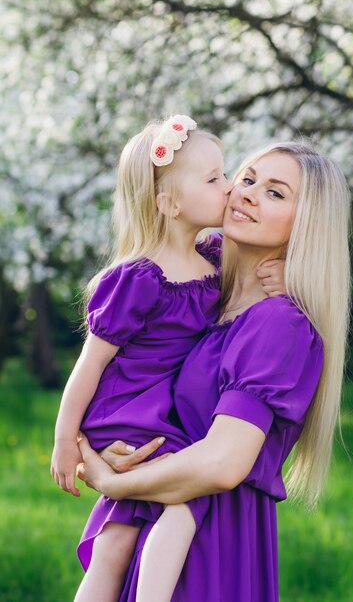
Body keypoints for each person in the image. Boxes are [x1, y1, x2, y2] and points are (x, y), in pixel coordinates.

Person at [77, 140, 351, 602]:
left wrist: (114, 481)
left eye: (276, 193)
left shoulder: (279, 324)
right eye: (246, 179)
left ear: (306, 226)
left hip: (210, 545)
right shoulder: (199, 292)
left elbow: (223, 463)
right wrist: (108, 447)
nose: (246, 193)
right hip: (149, 528)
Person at [50, 114, 283, 602]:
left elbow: (259, 291)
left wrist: (278, 282)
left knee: (123, 536)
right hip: (131, 413)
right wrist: (65, 441)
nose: (230, 188)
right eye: (215, 179)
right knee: (173, 510)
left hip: (174, 413)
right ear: (169, 203)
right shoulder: (139, 279)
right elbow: (89, 365)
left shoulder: (217, 259)